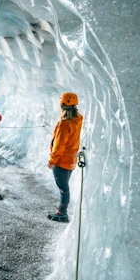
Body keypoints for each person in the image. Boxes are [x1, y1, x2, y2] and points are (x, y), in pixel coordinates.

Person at [47, 92, 84, 223]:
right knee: (65, 187)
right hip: (71, 160)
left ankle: (62, 212)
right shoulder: (78, 120)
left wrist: (52, 161)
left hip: (61, 161)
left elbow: (59, 146)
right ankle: (62, 210)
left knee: (64, 189)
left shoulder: (64, 124)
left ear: (63, 106)